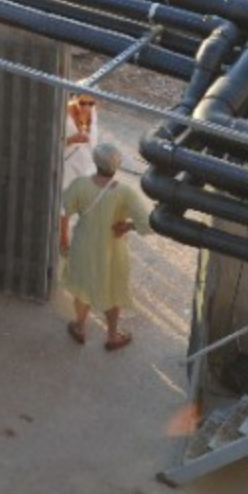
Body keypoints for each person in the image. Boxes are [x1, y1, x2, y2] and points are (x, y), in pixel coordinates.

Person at [60, 143, 151, 351]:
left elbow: (64, 213)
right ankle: (112, 336)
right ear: (117, 166)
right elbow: (148, 223)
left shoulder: (80, 185)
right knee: (113, 291)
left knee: (82, 289)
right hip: (112, 252)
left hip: (83, 247)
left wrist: (63, 239)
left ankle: (80, 328)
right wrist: (127, 226)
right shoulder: (126, 193)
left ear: (95, 161)